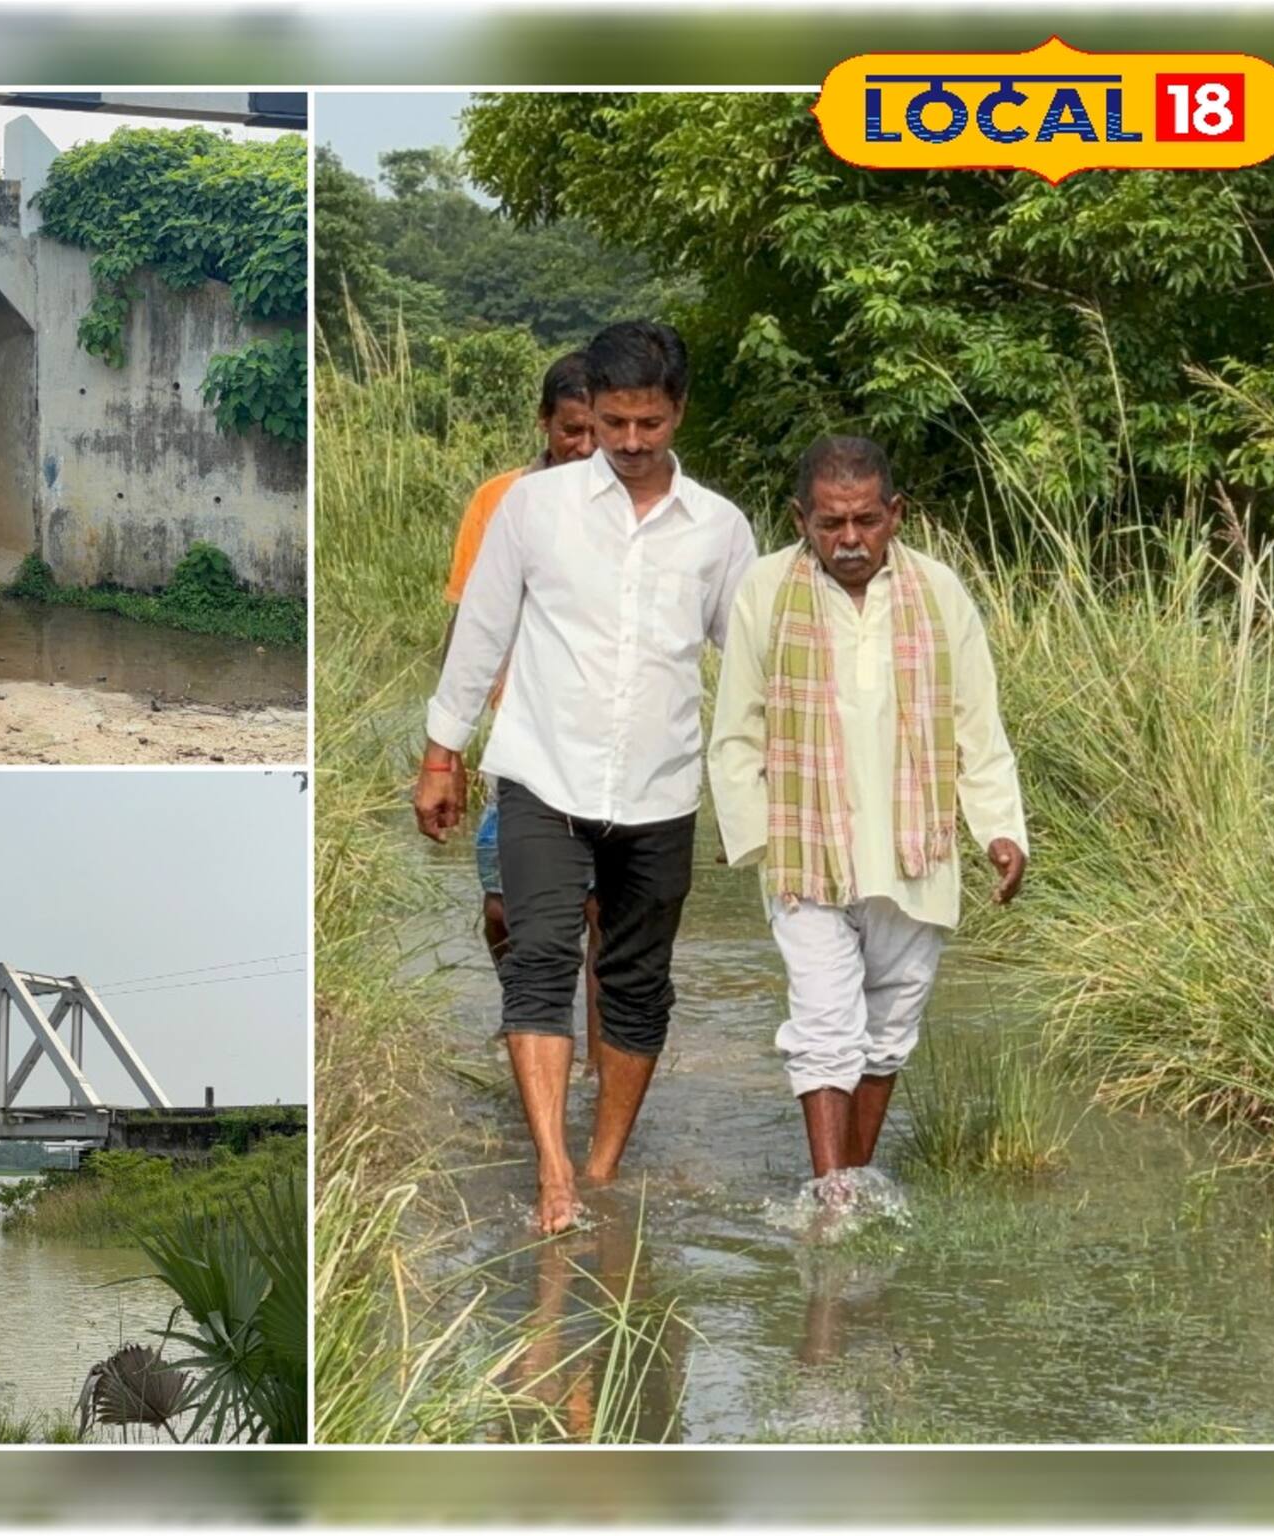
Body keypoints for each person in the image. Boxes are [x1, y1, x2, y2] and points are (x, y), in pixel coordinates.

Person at [415, 320, 758, 1235]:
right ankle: (555, 1171)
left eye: (649, 423)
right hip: (542, 776)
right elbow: (481, 633)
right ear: (590, 417)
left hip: (660, 790)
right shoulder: (538, 508)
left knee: (640, 984)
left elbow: (752, 659)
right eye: (613, 424)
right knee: (537, 963)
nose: (633, 443)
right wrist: (441, 757)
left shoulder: (721, 530)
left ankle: (603, 1167)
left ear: (679, 411)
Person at [707, 434, 1028, 1182]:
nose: (849, 540)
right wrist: (750, 834)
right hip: (806, 844)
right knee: (823, 1028)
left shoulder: (941, 593)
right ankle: (833, 1197)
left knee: (887, 1032)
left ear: (896, 514)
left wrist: (1001, 831)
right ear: (799, 520)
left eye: (865, 521)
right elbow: (736, 726)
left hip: (916, 850)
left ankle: (851, 1178)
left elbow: (977, 727)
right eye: (829, 524)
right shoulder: (765, 591)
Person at [441, 351, 602, 1062]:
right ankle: (527, 1010)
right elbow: (469, 623)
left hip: (608, 740)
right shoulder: (499, 501)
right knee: (506, 904)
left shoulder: (635, 506)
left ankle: (598, 1060)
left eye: (601, 430)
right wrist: (444, 745)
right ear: (545, 424)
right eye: (574, 431)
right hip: (521, 739)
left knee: (606, 917)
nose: (589, 448)